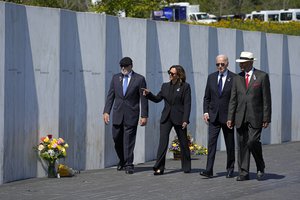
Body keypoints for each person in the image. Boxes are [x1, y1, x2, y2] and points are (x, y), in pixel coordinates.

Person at [227, 51, 272, 181]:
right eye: (240, 63)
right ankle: (243, 172)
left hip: (256, 116)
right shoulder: (237, 78)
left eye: (244, 63)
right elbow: (233, 99)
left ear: (251, 62)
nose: (241, 65)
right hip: (240, 117)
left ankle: (260, 166)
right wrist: (230, 117)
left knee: (252, 142)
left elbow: (266, 99)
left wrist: (266, 118)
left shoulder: (262, 76)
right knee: (242, 145)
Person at [142, 65, 191, 175]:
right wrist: (149, 94)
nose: (170, 75)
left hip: (179, 118)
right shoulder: (165, 86)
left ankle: (186, 166)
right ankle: (159, 167)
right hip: (166, 118)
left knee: (183, 142)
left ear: (179, 75)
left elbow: (187, 104)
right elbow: (157, 99)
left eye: (172, 73)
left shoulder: (185, 87)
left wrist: (185, 120)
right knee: (162, 143)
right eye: (169, 72)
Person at [103, 57, 148, 174]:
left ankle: (129, 164)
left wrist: (144, 115)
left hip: (131, 114)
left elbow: (143, 99)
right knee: (116, 138)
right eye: (121, 66)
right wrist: (106, 111)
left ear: (131, 66)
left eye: (126, 66)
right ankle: (122, 160)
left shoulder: (139, 79)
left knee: (129, 140)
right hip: (117, 113)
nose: (123, 68)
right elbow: (110, 96)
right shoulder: (115, 78)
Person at [200, 55, 236, 178]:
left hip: (228, 118)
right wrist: (206, 112)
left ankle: (230, 168)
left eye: (222, 64)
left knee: (229, 144)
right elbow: (207, 97)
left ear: (227, 63)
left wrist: (233, 116)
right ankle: (208, 170)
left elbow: (235, 99)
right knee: (211, 144)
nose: (220, 66)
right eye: (218, 64)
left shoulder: (234, 78)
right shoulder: (211, 77)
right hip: (213, 117)